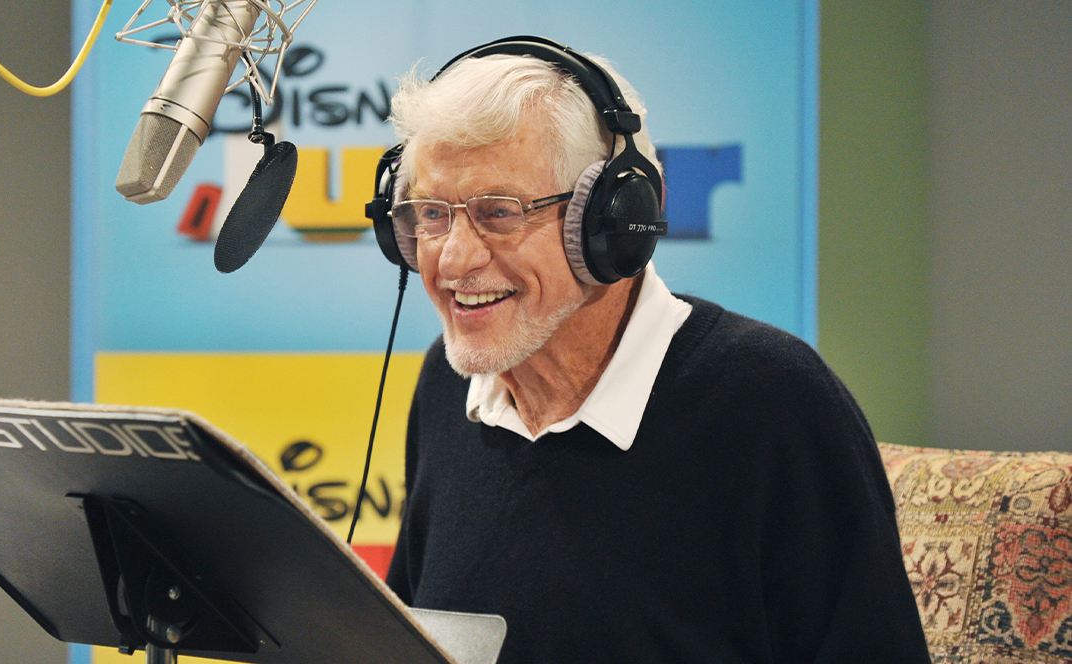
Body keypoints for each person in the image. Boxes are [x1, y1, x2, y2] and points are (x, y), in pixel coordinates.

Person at [375, 37, 931, 663]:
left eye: (500, 213)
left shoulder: (770, 399)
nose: (451, 258)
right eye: (429, 213)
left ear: (615, 219)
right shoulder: (447, 386)